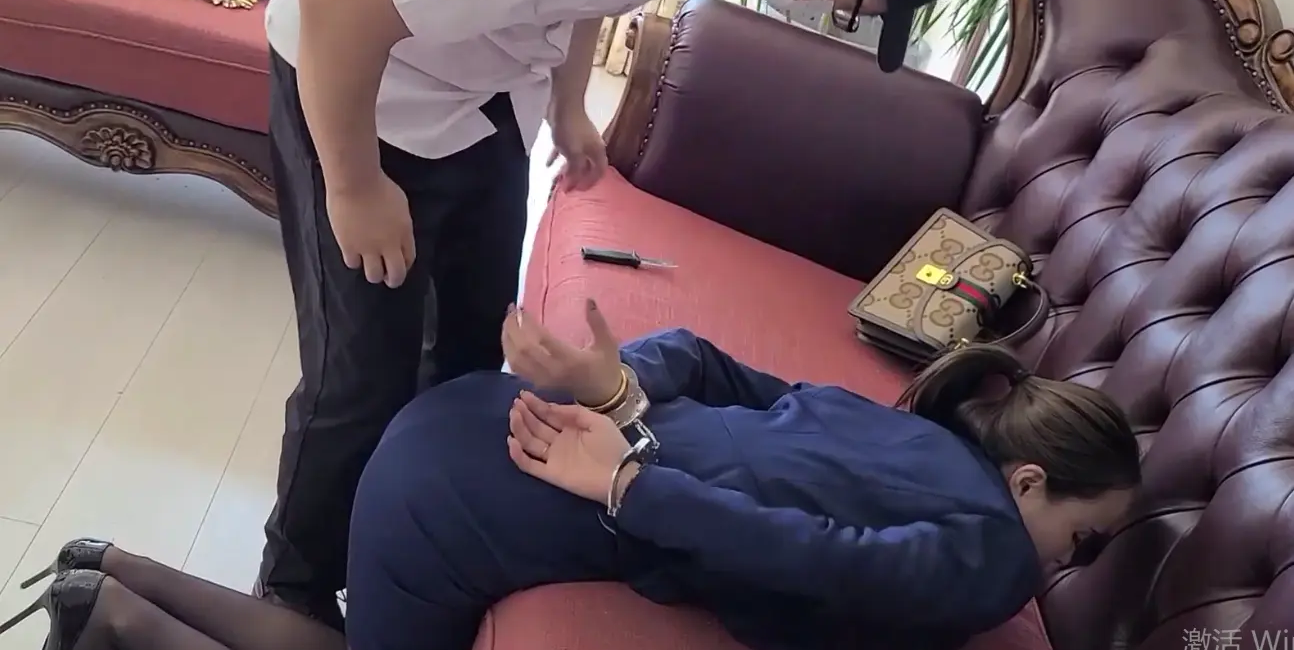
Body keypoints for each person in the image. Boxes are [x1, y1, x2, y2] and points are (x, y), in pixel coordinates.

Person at [258, 0, 1016, 625]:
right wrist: (356, 185)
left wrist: (569, 102)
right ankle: (291, 585)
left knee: (471, 339)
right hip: (359, 82)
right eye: (850, 9)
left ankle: (387, 531)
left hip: (480, 86)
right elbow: (336, 9)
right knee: (361, 375)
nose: (830, 13)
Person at [7, 301, 1139, 650]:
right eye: (1084, 537)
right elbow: (815, 556)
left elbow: (702, 357)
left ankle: (105, 575)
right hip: (469, 493)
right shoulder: (998, 557)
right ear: (1029, 480)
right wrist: (628, 481)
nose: (1067, 565)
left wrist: (619, 382)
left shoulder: (910, 431)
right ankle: (114, 614)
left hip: (465, 421)